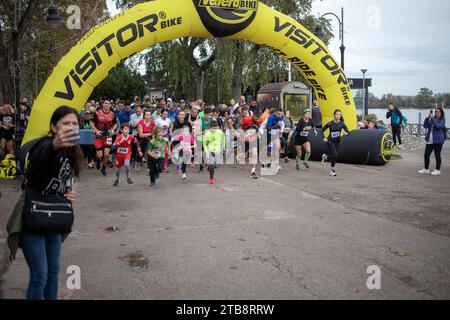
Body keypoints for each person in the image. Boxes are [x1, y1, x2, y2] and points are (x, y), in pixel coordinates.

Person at [20, 105, 83, 300]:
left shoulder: (72, 152)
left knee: (53, 272)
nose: (71, 127)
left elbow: (62, 178)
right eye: (65, 123)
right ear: (54, 127)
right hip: (35, 217)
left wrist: (69, 191)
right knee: (40, 274)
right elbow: (42, 156)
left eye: (74, 123)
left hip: (54, 218)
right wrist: (55, 144)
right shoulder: (45, 144)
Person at [90, 100, 117, 176]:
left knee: (107, 154)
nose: (107, 105)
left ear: (110, 105)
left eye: (108, 103)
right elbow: (91, 122)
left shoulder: (113, 114)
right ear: (103, 105)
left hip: (108, 136)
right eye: (106, 103)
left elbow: (115, 124)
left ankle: (103, 169)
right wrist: (96, 130)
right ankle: (98, 160)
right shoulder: (97, 112)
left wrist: (112, 129)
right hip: (99, 136)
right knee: (100, 155)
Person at [418, 107, 446, 176]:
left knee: (437, 155)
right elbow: (425, 125)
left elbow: (439, 126)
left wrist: (432, 118)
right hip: (430, 140)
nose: (436, 113)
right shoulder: (433, 119)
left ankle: (437, 170)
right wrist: (427, 118)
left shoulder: (442, 120)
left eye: (438, 111)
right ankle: (426, 169)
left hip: (438, 140)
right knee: (426, 155)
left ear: (441, 113)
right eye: (435, 111)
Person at [321, 109, 349, 176]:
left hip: (337, 141)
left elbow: (347, 131)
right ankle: (332, 169)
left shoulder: (342, 124)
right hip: (330, 141)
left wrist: (346, 133)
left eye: (339, 115)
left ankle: (326, 158)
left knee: (334, 156)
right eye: (337, 114)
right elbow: (322, 130)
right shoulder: (330, 123)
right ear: (334, 115)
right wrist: (324, 137)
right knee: (335, 155)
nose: (338, 116)